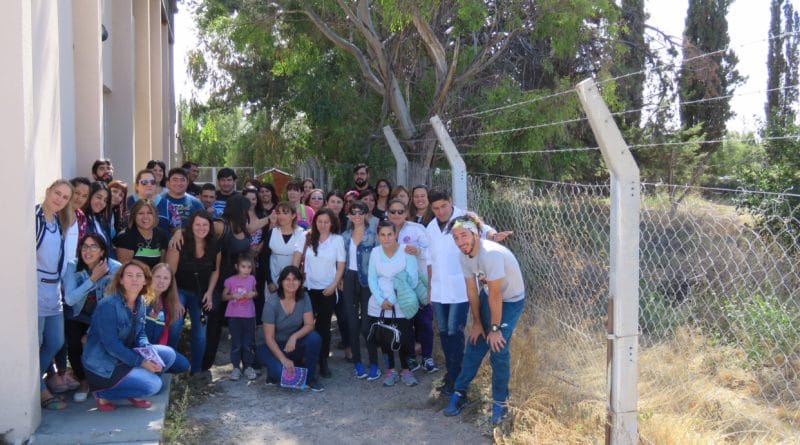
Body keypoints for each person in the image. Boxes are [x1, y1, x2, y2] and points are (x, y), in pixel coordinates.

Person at [425, 188, 511, 395]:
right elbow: (430, 260)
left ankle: (457, 380)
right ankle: (452, 374)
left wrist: (493, 235)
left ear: (450, 201)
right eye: (435, 208)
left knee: (454, 332)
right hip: (438, 289)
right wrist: (430, 287)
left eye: (444, 206)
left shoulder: (463, 217)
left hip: (460, 288)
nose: (441, 211)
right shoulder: (430, 227)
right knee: (443, 332)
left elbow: (483, 229)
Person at [443, 213, 526, 425]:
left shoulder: (491, 254)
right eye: (455, 237)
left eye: (464, 235)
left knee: (498, 348)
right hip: (489, 296)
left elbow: (497, 295)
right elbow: (472, 290)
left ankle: (500, 402)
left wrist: (495, 329)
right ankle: (460, 392)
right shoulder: (464, 255)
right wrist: (478, 323)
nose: (460, 241)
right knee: (475, 343)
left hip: (510, 301)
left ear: (475, 234)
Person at [82, 260, 177, 411]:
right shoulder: (108, 305)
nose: (134, 279)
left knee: (169, 355)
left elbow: (140, 333)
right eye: (129, 275)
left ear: (145, 281)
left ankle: (133, 386)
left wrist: (148, 351)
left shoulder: (140, 301)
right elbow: (111, 345)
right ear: (121, 280)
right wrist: (141, 362)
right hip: (104, 365)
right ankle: (102, 393)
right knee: (153, 385)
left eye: (139, 276)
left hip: (125, 356)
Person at [62, 234, 121, 402]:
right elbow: (70, 299)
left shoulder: (115, 268)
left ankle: (105, 380)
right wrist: (93, 278)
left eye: (93, 246)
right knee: (74, 342)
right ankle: (83, 382)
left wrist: (91, 331)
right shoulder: (73, 266)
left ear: (102, 251)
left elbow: (114, 304)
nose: (88, 251)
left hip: (102, 317)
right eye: (84, 246)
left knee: (99, 342)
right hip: (77, 315)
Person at [367, 220, 423, 387]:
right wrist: (380, 300)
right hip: (380, 303)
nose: (386, 238)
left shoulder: (406, 251)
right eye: (382, 235)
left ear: (396, 234)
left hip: (402, 301)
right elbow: (372, 278)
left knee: (404, 336)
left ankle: (406, 370)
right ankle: (391, 370)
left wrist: (392, 299)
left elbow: (412, 279)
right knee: (385, 337)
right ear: (378, 236)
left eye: (390, 234)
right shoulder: (375, 252)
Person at [386, 198, 438, 374]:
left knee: (424, 321)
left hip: (419, 282)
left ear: (407, 213)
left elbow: (431, 251)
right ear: (387, 213)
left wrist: (418, 251)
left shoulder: (417, 229)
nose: (396, 214)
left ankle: (427, 357)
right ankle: (409, 357)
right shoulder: (384, 231)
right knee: (404, 323)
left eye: (400, 211)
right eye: (392, 211)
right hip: (399, 285)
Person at [202, 194, 253, 372]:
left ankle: (247, 363)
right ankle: (204, 365)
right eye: (246, 209)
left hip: (239, 284)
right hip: (219, 283)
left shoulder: (242, 226)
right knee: (214, 325)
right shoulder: (220, 225)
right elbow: (201, 240)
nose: (248, 212)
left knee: (242, 324)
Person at [166, 211, 221, 374]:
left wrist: (209, 293)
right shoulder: (180, 241)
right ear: (191, 225)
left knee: (200, 332)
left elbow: (215, 271)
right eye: (197, 224)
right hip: (179, 289)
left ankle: (196, 371)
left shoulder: (214, 244)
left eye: (205, 225)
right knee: (175, 325)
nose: (201, 228)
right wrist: (175, 300)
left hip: (201, 292)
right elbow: (170, 273)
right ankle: (168, 366)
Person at [36, 179, 75, 410]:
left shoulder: (58, 223)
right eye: (57, 193)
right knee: (38, 342)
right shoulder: (35, 219)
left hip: (53, 291)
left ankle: (34, 383)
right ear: (48, 191)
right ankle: (40, 391)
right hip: (37, 290)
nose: (59, 199)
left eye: (65, 197)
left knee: (56, 341)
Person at [257, 266, 324, 391]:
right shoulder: (271, 303)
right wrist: (283, 360)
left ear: (300, 282)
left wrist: (294, 337)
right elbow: (269, 338)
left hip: (292, 344)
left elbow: (310, 325)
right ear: (281, 282)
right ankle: (275, 370)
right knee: (282, 375)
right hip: (271, 346)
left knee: (314, 338)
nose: (291, 283)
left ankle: (310, 378)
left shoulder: (304, 297)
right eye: (287, 279)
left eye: (295, 279)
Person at [296, 208, 345, 379]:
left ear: (332, 223)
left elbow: (340, 265)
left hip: (327, 290)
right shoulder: (306, 236)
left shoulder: (337, 240)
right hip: (308, 288)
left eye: (326, 222)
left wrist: (333, 285)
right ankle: (303, 358)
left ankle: (323, 360)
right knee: (305, 325)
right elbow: (297, 260)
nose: (322, 225)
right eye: (319, 221)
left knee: (324, 327)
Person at [340, 201, 377, 379]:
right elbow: (340, 260)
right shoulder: (344, 236)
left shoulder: (373, 235)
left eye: (360, 212)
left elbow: (378, 260)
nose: (357, 215)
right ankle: (358, 362)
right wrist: (340, 278)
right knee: (352, 323)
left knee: (367, 325)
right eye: (353, 212)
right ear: (349, 215)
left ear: (366, 214)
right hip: (349, 279)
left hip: (367, 280)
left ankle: (374, 363)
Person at [144, 263, 189, 373]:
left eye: (165, 278)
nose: (161, 281)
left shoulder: (167, 303)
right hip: (140, 347)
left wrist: (159, 356)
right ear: (150, 277)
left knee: (183, 365)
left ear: (170, 283)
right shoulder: (142, 298)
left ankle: (156, 372)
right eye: (158, 277)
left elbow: (164, 334)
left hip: (155, 348)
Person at [222, 254, 258, 381]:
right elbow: (223, 296)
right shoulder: (230, 280)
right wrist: (232, 296)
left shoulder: (252, 279)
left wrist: (253, 294)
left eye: (249, 267)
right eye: (243, 267)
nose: (246, 270)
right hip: (234, 316)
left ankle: (248, 366)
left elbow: (255, 292)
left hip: (249, 315)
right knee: (236, 343)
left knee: (248, 343)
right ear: (237, 267)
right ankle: (236, 367)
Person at [265, 202, 305, 300]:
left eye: (285, 213)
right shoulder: (271, 233)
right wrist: (269, 281)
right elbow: (264, 259)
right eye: (279, 213)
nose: (281, 216)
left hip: (293, 280)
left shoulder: (302, 234)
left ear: (293, 215)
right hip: (273, 278)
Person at [113, 199, 168, 269]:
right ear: (134, 216)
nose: (145, 217)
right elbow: (124, 269)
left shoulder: (161, 235)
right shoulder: (125, 237)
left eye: (149, 213)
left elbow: (161, 267)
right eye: (140, 213)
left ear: (155, 215)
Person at [155, 167, 205, 235]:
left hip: (189, 240)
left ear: (187, 182)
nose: (178, 183)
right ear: (168, 183)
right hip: (163, 241)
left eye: (182, 180)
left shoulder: (196, 203)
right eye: (175, 180)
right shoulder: (158, 201)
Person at [82, 181, 113, 248]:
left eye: (105, 200)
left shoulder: (102, 221)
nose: (102, 202)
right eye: (99, 197)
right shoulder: (81, 220)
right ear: (89, 196)